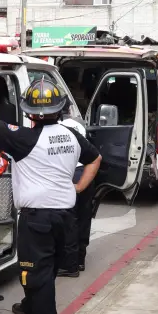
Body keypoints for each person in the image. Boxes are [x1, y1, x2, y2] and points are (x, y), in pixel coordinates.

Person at [0, 73, 102, 314]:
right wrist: (78, 188)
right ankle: (30, 305)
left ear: (30, 114)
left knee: (35, 269)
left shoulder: (26, 139)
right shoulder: (71, 136)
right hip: (65, 216)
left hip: (38, 220)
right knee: (47, 266)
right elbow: (95, 159)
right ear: (60, 109)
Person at [59, 114, 94, 276]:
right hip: (86, 172)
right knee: (84, 217)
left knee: (69, 220)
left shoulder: (60, 126)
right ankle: (80, 260)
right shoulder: (79, 124)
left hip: (69, 172)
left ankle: (69, 264)